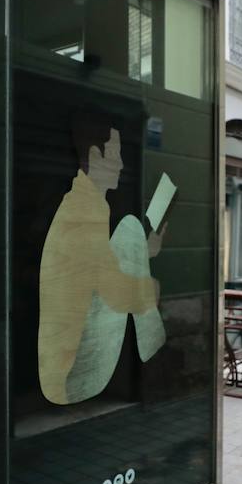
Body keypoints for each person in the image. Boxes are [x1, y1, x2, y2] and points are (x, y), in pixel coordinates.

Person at [37, 116, 168, 405]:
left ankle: (152, 354)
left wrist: (146, 254)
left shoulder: (83, 203)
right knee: (132, 228)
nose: (121, 164)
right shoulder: (84, 212)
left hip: (61, 370)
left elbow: (99, 270)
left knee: (132, 235)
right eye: (116, 155)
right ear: (96, 156)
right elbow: (118, 294)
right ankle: (154, 356)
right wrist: (152, 290)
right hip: (71, 378)